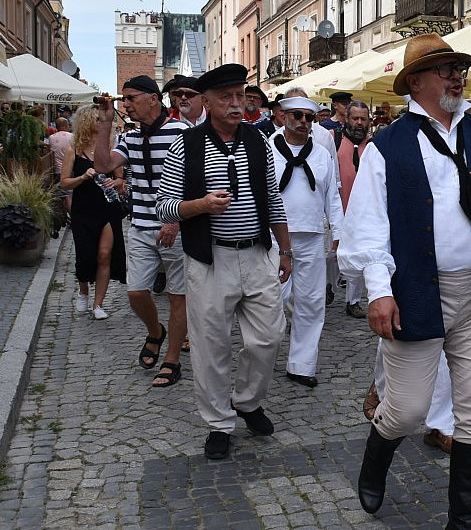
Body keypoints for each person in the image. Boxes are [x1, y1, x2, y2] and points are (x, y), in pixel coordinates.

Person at [338, 33, 471, 525]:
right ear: (415, 82)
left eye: (459, 66)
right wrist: (379, 291)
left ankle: (464, 518)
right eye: (444, 67)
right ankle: (375, 460)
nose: (457, 74)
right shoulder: (386, 146)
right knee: (407, 410)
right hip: (416, 292)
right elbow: (367, 228)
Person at [155, 63, 293, 460]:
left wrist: (284, 250)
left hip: (257, 253)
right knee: (211, 345)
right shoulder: (187, 144)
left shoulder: (258, 141)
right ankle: (218, 422)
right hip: (210, 258)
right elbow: (165, 206)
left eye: (240, 96)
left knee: (268, 336)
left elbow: (273, 199)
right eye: (226, 98)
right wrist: (199, 205)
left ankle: (247, 401)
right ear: (207, 101)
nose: (236, 104)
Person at [93, 75, 188, 389]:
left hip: (176, 228)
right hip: (141, 226)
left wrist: (174, 219)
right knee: (135, 292)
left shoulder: (183, 131)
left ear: (152, 98)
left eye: (131, 98)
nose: (126, 104)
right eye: (124, 99)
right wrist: (106, 122)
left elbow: (195, 180)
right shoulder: (130, 137)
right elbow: (104, 164)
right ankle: (155, 332)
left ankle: (171, 359)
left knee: (178, 296)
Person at [270, 96, 343, 387]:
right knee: (273, 299)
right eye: (297, 115)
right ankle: (264, 355)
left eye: (308, 118)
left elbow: (332, 197)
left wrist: (338, 232)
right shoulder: (266, 148)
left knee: (312, 302)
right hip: (275, 238)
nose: (302, 122)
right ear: (283, 116)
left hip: (312, 235)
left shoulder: (322, 154)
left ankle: (301, 364)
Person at [60, 107, 127, 321]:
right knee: (85, 255)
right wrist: (82, 177)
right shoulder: (75, 150)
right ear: (87, 123)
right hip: (84, 209)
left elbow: (121, 181)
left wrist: (115, 181)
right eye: (98, 120)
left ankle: (98, 304)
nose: (102, 123)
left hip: (107, 208)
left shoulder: (109, 148)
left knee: (104, 255)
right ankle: (83, 291)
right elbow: (64, 182)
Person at [335, 100, 372, 318]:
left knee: (358, 255)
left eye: (363, 119)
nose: (359, 123)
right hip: (338, 209)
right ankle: (329, 287)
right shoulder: (334, 140)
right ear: (346, 119)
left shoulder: (374, 145)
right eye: (355, 118)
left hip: (362, 212)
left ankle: (353, 300)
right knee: (331, 256)